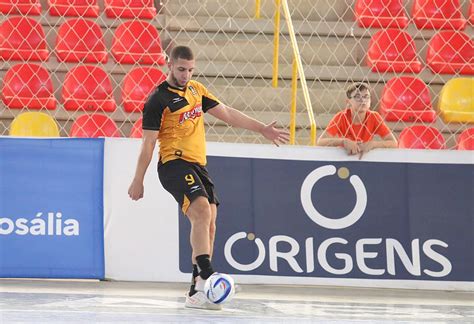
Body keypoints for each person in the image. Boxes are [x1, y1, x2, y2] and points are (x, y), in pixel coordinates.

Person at [127, 45, 289, 310]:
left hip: (197, 165)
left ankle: (197, 291)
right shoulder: (158, 99)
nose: (186, 74)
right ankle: (210, 273)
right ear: (169, 64)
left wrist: (262, 129)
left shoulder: (196, 90)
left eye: (191, 69)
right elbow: (147, 143)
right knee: (201, 210)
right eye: (181, 69)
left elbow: (227, 113)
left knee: (209, 221)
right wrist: (138, 179)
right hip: (173, 163)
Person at [317, 82, 397, 158]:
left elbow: (394, 143)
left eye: (366, 97)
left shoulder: (374, 117)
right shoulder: (341, 117)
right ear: (348, 102)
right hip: (344, 156)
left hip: (366, 157)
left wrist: (373, 144)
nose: (363, 101)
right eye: (357, 97)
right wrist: (343, 142)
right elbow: (320, 142)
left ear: (370, 101)